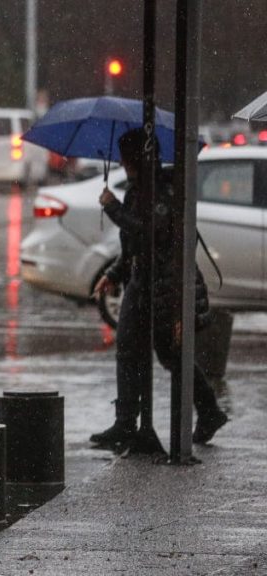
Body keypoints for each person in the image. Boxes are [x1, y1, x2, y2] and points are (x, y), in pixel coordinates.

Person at [90, 128, 228, 448]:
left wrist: (112, 208)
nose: (123, 164)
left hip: (166, 284)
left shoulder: (159, 191)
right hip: (141, 282)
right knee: (129, 348)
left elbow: (153, 234)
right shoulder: (137, 190)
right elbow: (135, 245)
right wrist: (114, 273)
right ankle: (127, 422)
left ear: (136, 158)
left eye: (126, 158)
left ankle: (207, 411)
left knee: (172, 354)